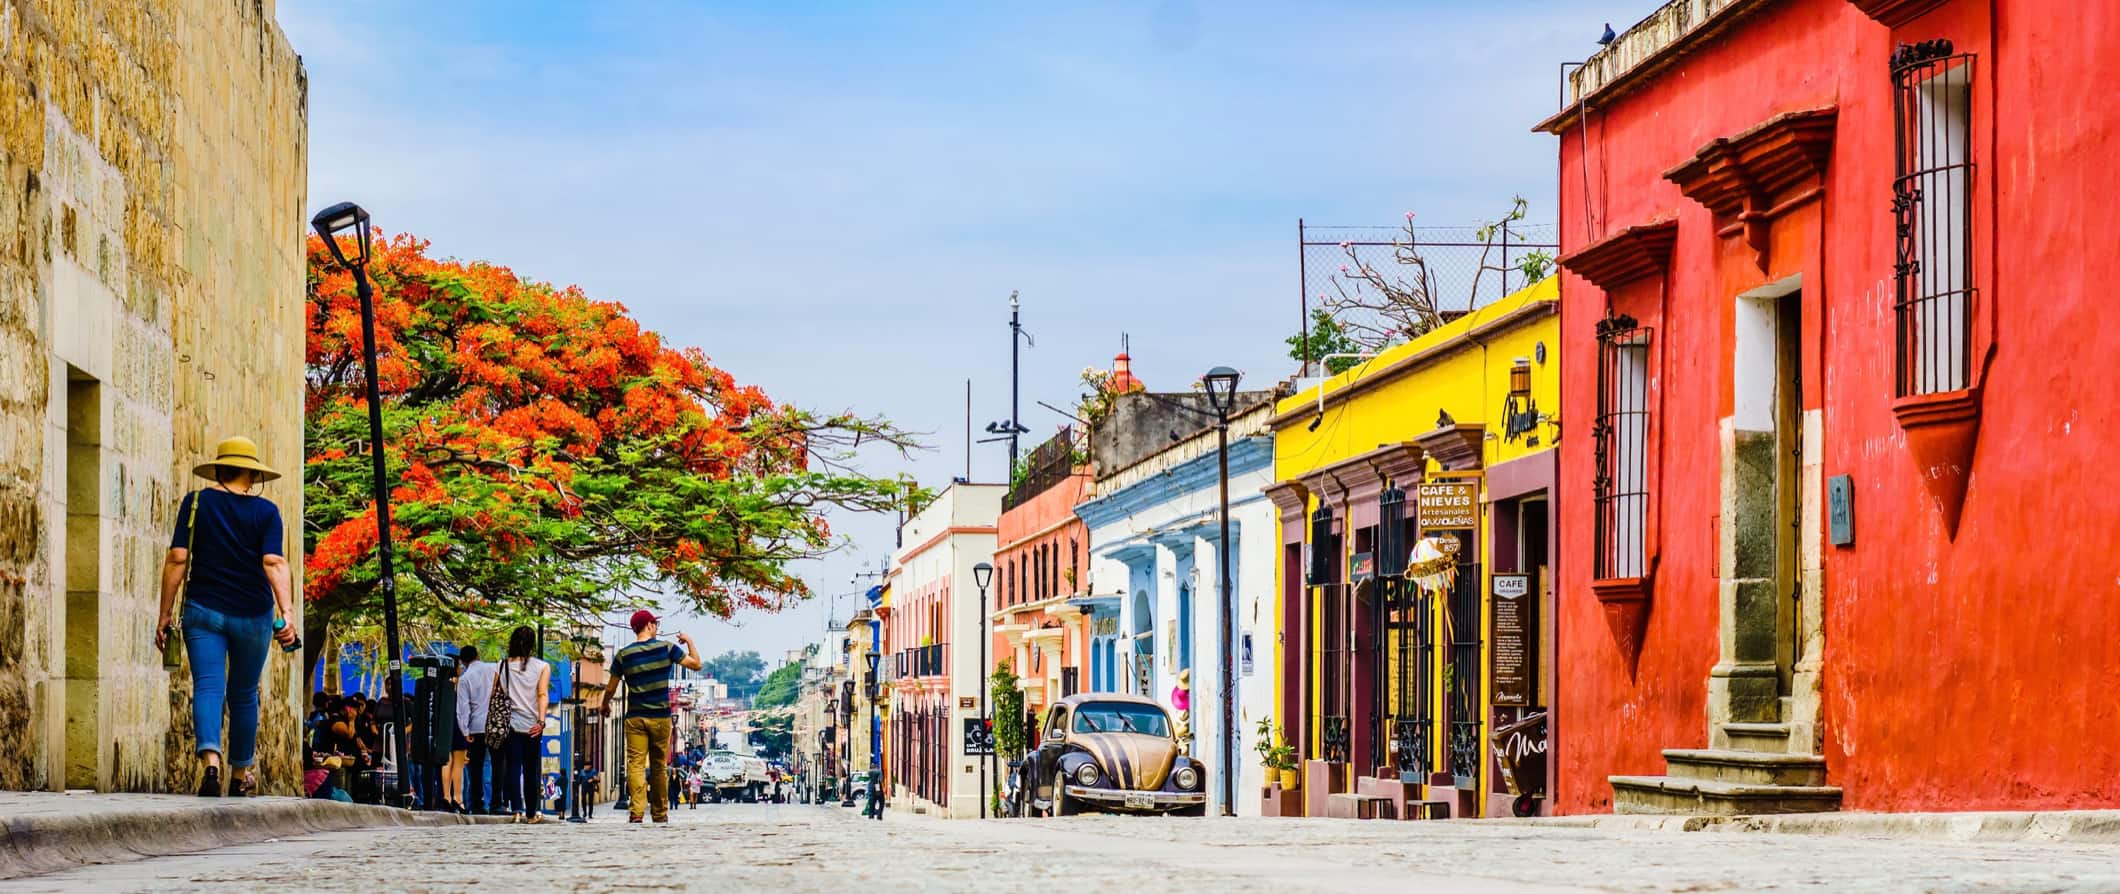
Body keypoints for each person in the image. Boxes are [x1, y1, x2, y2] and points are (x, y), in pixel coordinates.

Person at [155, 436, 297, 798]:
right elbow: (273, 562)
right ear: (252, 473)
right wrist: (288, 612)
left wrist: (165, 614)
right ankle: (239, 774)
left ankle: (211, 765)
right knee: (245, 693)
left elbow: (177, 558)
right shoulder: (267, 513)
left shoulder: (197, 502)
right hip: (253, 616)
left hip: (203, 610)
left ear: (219, 468)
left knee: (208, 685)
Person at [605, 609, 702, 824]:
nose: (657, 628)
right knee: (659, 765)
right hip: (660, 717)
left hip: (635, 717)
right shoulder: (666, 649)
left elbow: (611, 687)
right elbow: (696, 664)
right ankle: (659, 812)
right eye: (655, 624)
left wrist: (604, 705)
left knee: (636, 763)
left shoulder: (624, 655)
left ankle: (637, 811)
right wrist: (689, 642)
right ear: (649, 625)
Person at [499, 626, 551, 824]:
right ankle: (531, 813)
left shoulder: (502, 665)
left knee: (513, 767)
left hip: (511, 724)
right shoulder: (542, 666)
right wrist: (541, 721)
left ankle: (516, 810)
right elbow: (542, 694)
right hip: (532, 726)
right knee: (531, 770)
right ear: (532, 645)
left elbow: (500, 694)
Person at [453, 645, 494, 815]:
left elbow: (463, 707)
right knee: (497, 765)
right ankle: (497, 801)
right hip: (495, 725)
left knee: (475, 767)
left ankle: (477, 803)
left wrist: (465, 730)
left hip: (476, 726)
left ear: (462, 661)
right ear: (478, 655)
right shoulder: (493, 670)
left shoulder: (465, 678)